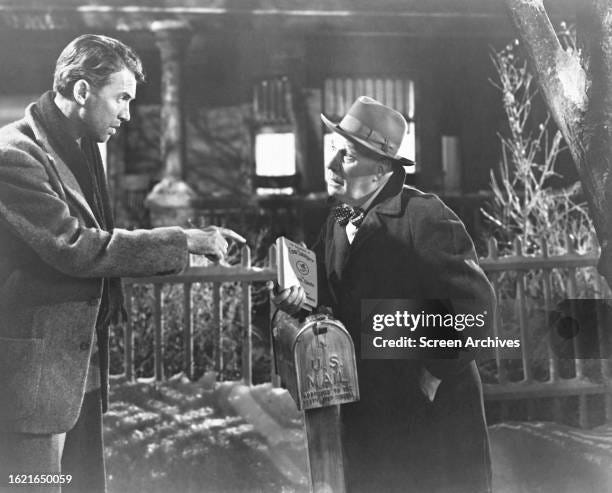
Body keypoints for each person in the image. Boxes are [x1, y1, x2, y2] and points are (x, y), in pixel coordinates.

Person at [0, 34, 245, 492]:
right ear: (82, 91)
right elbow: (75, 246)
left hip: (75, 369)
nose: (127, 114)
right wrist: (183, 239)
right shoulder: (14, 154)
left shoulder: (77, 147)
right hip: (35, 378)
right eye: (121, 98)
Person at [273, 96, 495, 492]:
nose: (332, 165)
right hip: (371, 413)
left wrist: (431, 375)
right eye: (333, 150)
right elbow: (330, 288)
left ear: (380, 170)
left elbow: (475, 308)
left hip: (432, 424)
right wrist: (296, 294)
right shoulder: (340, 217)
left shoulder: (423, 216)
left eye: (347, 156)